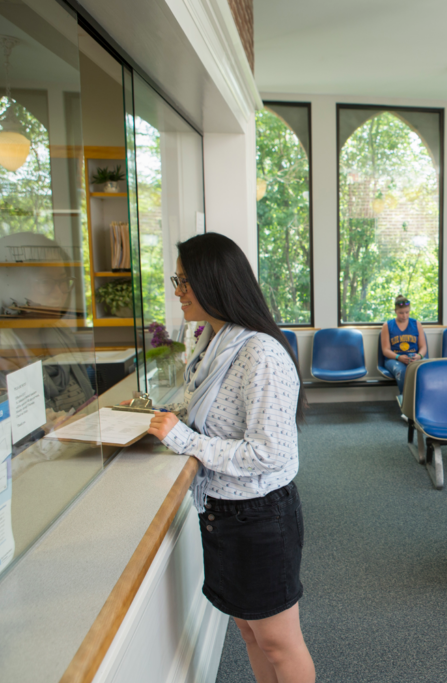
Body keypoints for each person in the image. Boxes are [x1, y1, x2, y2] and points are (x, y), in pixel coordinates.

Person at [144, 233, 315, 683]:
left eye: (185, 281)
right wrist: (174, 421)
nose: (177, 291)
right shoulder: (213, 340)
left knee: (279, 641)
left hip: (260, 516)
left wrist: (185, 439)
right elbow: (212, 412)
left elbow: (270, 451)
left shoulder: (259, 352)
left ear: (214, 282)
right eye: (176, 279)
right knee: (249, 632)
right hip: (222, 510)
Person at [380, 295, 427, 397]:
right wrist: (399, 357)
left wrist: (419, 356)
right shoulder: (387, 325)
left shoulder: (416, 324)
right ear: (395, 311)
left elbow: (423, 347)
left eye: (407, 312)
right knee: (402, 371)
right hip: (394, 359)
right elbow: (385, 350)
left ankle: (422, 400)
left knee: (425, 369)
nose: (404, 315)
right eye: (401, 313)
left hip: (414, 358)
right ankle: (406, 401)